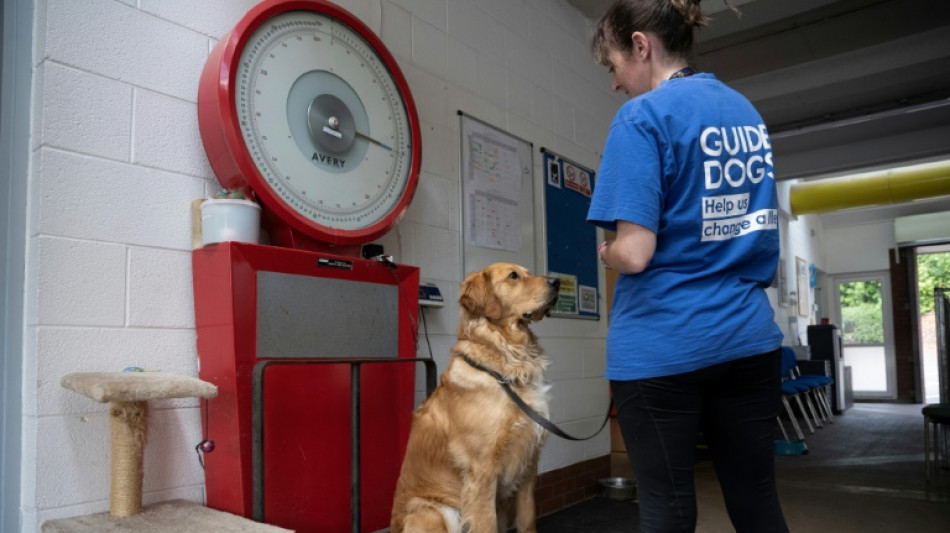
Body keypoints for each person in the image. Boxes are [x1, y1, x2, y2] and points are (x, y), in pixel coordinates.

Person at [587, 1, 789, 532]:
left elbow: (634, 252)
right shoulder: (745, 112)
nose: (614, 83)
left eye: (613, 66)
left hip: (663, 346)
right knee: (757, 502)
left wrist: (606, 252)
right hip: (748, 342)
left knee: (669, 508)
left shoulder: (641, 117)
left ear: (640, 46)